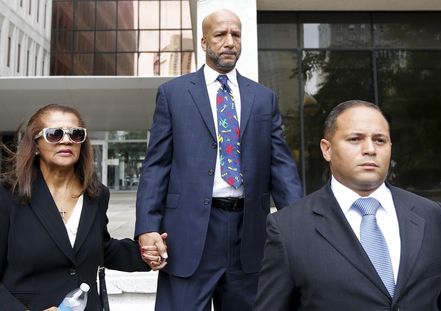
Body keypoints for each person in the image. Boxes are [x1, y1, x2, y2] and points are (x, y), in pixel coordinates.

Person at [135, 8, 303, 311]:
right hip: (188, 232)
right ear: (203, 42)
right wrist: (147, 225)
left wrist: (300, 225)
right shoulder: (173, 94)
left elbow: (281, 166)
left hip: (249, 232)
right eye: (220, 35)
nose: (230, 42)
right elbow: (156, 165)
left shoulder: (264, 98)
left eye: (236, 35)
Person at [254, 100, 441, 310]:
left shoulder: (431, 216)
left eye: (380, 140)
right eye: (355, 139)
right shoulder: (288, 228)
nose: (370, 149)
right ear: (326, 149)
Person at [0, 104, 150, 311]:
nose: (66, 139)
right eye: (54, 134)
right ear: (34, 145)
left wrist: (147, 253)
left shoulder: (96, 195)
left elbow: (100, 248)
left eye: (76, 134)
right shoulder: (7, 194)